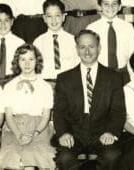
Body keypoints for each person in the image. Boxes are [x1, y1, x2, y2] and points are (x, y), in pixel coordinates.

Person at [52, 29, 126, 170]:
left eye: (91, 46)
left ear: (99, 48)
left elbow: (118, 111)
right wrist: (64, 133)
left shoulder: (114, 77)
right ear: (77, 50)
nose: (87, 51)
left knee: (112, 156)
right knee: (64, 158)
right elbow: (59, 112)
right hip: (74, 133)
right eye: (82, 47)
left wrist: (111, 131)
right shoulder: (64, 79)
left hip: (102, 132)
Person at [0, 44, 56, 170]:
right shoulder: (9, 86)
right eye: (23, 59)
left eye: (31, 59)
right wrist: (19, 135)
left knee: (34, 161)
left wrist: (35, 133)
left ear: (37, 61)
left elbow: (45, 116)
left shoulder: (45, 86)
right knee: (13, 160)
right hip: (14, 128)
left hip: (39, 128)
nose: (27, 63)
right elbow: (9, 116)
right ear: (17, 62)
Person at [87, 0, 134, 84]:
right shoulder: (91, 28)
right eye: (106, 4)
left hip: (122, 74)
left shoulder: (128, 27)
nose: (110, 7)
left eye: (114, 4)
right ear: (99, 6)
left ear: (120, 6)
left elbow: (132, 53)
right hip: (100, 74)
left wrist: (133, 78)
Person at [33, 0, 78, 82]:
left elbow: (77, 66)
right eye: (49, 16)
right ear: (44, 18)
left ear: (64, 17)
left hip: (68, 83)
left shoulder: (73, 40)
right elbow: (35, 69)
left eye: (57, 15)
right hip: (46, 83)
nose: (53, 20)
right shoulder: (38, 42)